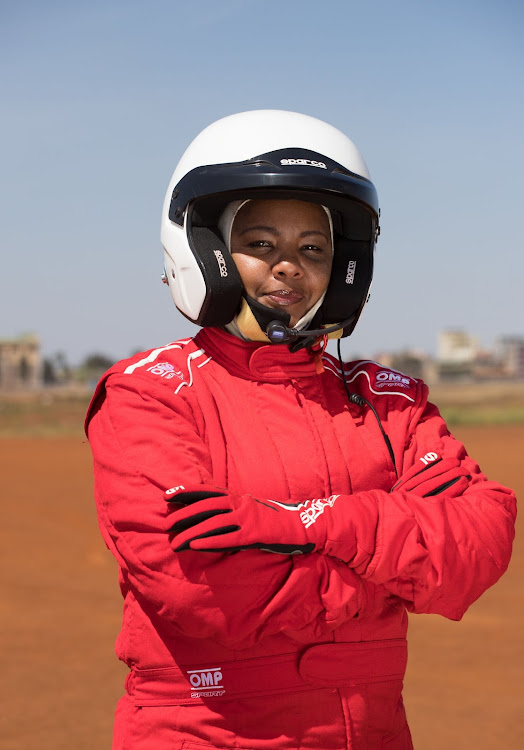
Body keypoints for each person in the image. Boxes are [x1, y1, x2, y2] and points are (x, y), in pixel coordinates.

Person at [86, 110, 516, 750]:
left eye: (312, 249)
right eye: (260, 244)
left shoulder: (387, 399)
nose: (288, 266)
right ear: (204, 250)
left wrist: (312, 525)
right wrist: (389, 569)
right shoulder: (150, 392)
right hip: (206, 735)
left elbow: (479, 543)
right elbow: (198, 587)